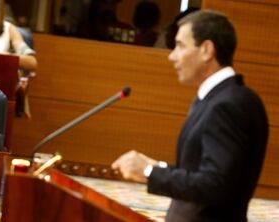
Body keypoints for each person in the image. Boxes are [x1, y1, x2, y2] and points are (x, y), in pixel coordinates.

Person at [112, 10, 268, 222]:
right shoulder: (218, 98)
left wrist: (149, 172)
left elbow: (216, 185)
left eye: (180, 46)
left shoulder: (228, 105)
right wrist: (160, 167)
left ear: (206, 50)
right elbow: (200, 172)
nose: (172, 55)